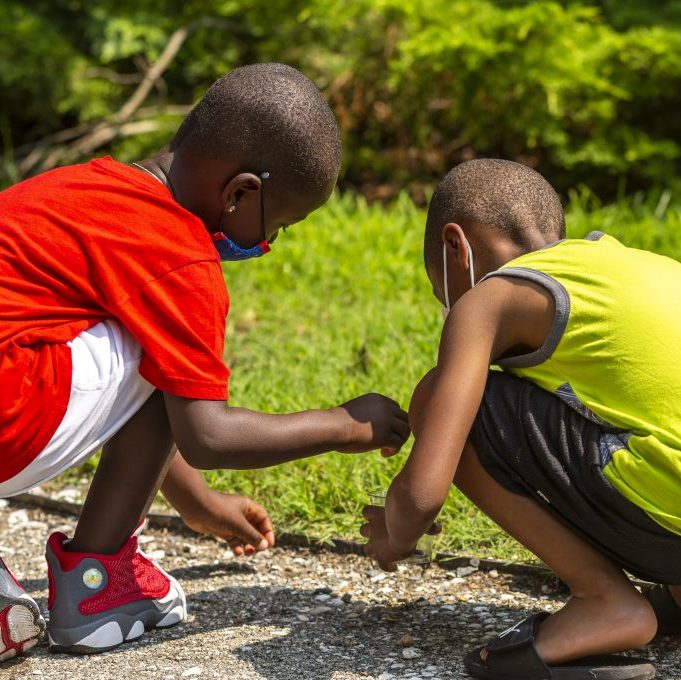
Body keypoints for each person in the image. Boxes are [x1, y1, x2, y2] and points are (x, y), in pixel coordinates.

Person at [0, 63, 410, 659]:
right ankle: (99, 584)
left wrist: (199, 504)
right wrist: (346, 424)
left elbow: (132, 394)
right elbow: (208, 434)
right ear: (241, 192)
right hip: (11, 416)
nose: (267, 244)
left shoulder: (83, 186)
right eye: (280, 224)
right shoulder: (177, 253)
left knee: (147, 334)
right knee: (164, 340)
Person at [361, 158, 681, 680]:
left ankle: (605, 601)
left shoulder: (491, 297)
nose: (450, 307)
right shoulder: (619, 262)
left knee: (436, 396)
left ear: (455, 247)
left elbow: (424, 494)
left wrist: (394, 535)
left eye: (442, 293)